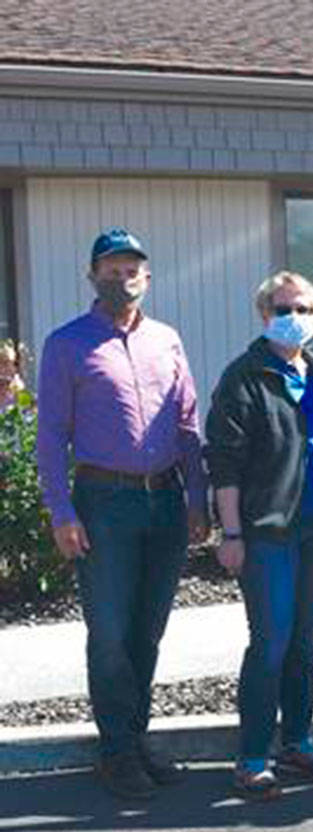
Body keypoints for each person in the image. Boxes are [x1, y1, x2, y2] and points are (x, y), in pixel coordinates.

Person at [35, 227, 208, 800]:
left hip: (164, 501)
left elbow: (188, 426)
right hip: (102, 503)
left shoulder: (168, 341)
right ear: (93, 277)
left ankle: (136, 738)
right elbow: (50, 436)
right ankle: (115, 752)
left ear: (147, 278)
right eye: (110, 269)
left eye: (131, 269)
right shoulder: (67, 344)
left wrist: (197, 500)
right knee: (108, 632)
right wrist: (62, 513)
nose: (122, 277)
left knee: (148, 630)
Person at [204, 271, 313, 800]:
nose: (296, 317)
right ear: (264, 314)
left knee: (306, 643)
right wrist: (232, 532)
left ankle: (298, 740)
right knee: (271, 642)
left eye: (306, 309)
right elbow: (223, 462)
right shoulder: (243, 377)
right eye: (285, 308)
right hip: (267, 532)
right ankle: (251, 755)